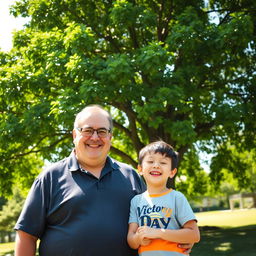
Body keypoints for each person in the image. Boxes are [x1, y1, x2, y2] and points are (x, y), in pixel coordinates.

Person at [14, 105, 193, 256]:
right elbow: (26, 235)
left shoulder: (131, 176)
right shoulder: (50, 177)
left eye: (101, 131)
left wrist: (179, 238)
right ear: (74, 135)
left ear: (110, 138)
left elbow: (153, 221)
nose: (94, 137)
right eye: (87, 130)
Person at [127, 141, 200, 256]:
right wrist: (138, 238)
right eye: (150, 161)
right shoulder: (136, 201)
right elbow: (131, 240)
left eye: (163, 162)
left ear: (172, 172)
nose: (156, 165)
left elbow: (194, 235)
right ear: (140, 169)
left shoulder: (177, 198)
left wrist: (159, 233)